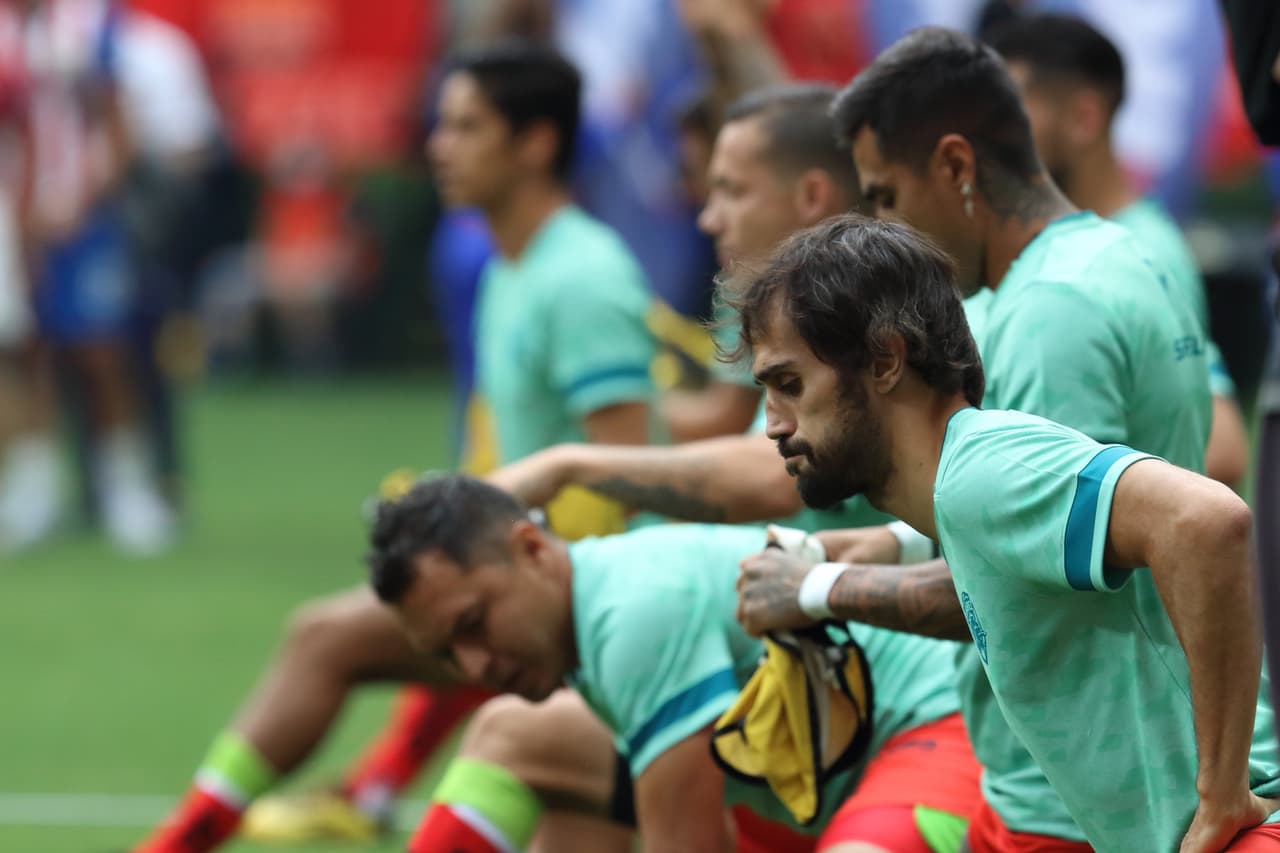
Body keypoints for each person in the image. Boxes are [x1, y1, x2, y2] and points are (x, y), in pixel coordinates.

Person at [730, 29, 1280, 850]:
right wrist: (887, 543)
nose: (774, 425)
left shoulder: (1045, 318)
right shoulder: (1109, 254)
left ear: (955, 167)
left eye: (882, 196)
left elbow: (1200, 519)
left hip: (1153, 822)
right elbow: (1048, 525)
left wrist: (1223, 787)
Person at [133, 41, 659, 853]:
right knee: (356, 636)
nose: (437, 146)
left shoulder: (583, 275)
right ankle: (347, 793)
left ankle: (196, 835)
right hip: (531, 577)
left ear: (537, 143)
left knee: (333, 638)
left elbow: (624, 474)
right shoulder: (509, 264)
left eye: (466, 127)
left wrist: (532, 583)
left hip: (582, 609)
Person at [371, 475, 980, 853]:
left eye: (473, 624)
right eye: (446, 653)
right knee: (515, 731)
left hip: (943, 741)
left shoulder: (630, 615)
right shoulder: (590, 610)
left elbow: (690, 844)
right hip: (818, 790)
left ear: (531, 550)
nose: (472, 666)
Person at [986, 12, 1250, 488]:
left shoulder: (1143, 252)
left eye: (1012, 112)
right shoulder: (1074, 243)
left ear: (1084, 118)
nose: (991, 137)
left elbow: (1222, 448)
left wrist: (1102, 506)